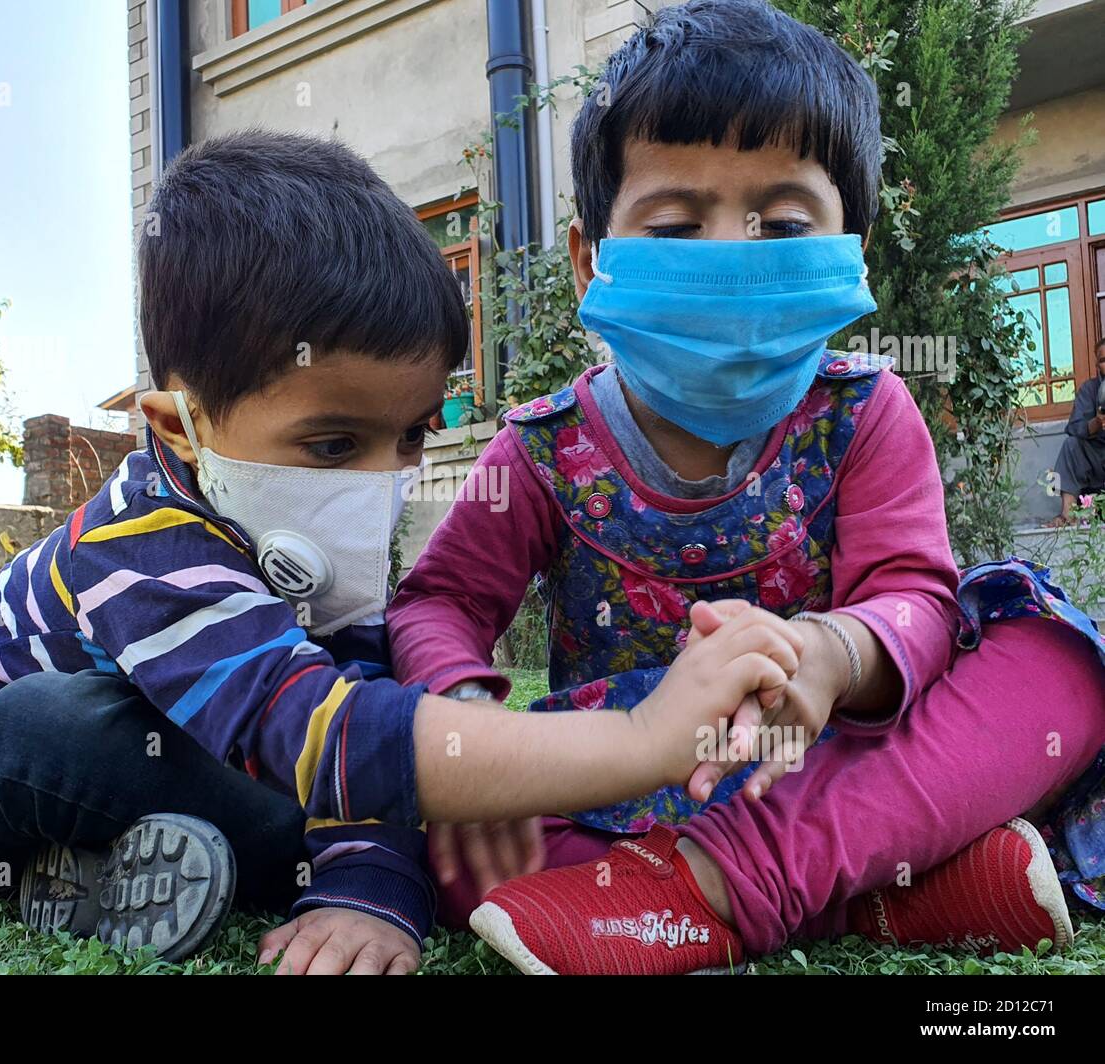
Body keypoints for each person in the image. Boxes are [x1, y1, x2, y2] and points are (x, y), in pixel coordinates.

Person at [0, 130, 791, 975]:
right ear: (178, 425)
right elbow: (326, 730)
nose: (380, 480)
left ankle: (84, 877)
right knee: (73, 720)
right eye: (332, 444)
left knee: (356, 781)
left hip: (150, 776)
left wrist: (370, 889)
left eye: (410, 435)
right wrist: (638, 742)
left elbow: (359, 687)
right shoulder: (143, 542)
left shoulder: (322, 536)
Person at [388, 0, 1105, 975]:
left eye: (782, 221)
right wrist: (471, 722)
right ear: (590, 257)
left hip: (834, 763)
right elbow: (439, 602)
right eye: (677, 223)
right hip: (618, 775)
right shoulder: (538, 450)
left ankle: (707, 890)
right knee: (450, 825)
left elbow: (915, 598)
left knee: (1056, 661)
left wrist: (832, 652)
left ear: (851, 238)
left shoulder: (865, 411)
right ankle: (881, 901)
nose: (732, 254)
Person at [1051, 338, 1105, 524]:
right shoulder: (1089, 390)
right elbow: (1073, 428)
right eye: (1104, 360)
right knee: (1071, 445)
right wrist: (1095, 424)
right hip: (1096, 461)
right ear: (1097, 365)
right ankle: (1068, 514)